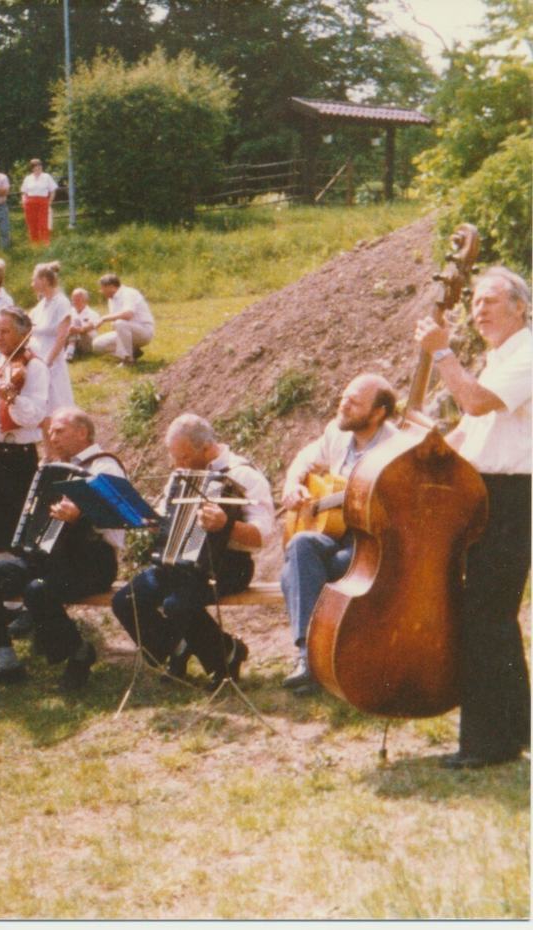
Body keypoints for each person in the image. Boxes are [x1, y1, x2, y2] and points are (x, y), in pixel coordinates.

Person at [413, 266, 531, 769]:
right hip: (487, 495)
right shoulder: (498, 359)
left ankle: (487, 745)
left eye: (490, 301)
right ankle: (517, 728)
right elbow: (468, 431)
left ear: (520, 307)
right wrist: (421, 439)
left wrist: (441, 353)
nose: (478, 310)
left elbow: (477, 403)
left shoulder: (527, 354)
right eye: (475, 302)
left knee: (485, 616)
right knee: (492, 616)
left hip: (513, 498)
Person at [0, 409, 126, 690]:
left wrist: (81, 514)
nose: (52, 438)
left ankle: (79, 653)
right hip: (51, 559)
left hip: (93, 561)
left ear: (82, 432)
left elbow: (119, 516)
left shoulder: (105, 467)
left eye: (59, 431)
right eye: (50, 432)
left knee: (38, 589)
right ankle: (4, 663)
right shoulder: (53, 468)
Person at [111, 414, 273, 687]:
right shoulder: (181, 473)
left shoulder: (243, 474)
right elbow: (164, 514)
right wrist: (152, 521)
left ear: (208, 448)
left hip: (230, 564)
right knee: (125, 601)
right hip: (181, 562)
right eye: (174, 458)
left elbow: (261, 536)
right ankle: (181, 648)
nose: (178, 465)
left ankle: (225, 657)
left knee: (178, 604)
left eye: (183, 457)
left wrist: (226, 524)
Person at [278, 375, 398, 695]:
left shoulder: (395, 447)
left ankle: (321, 664)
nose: (343, 405)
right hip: (334, 531)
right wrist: (293, 485)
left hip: (371, 539)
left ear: (378, 414)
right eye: (344, 396)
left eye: (354, 402)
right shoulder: (336, 432)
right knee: (301, 542)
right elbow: (305, 459)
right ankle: (309, 657)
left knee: (299, 571)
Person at [0, 306, 48, 561]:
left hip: (15, 457)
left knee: (15, 529)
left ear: (24, 336)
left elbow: (33, 417)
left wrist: (13, 399)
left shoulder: (34, 368)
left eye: (5, 331)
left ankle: (14, 595)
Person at [27, 261, 74, 420]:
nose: (32, 284)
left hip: (52, 362)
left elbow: (62, 337)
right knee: (44, 411)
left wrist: (48, 362)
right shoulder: (41, 305)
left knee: (59, 408)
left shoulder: (61, 303)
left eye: (35, 280)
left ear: (45, 281)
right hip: (38, 360)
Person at [93, 274, 155, 364]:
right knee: (98, 344)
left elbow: (128, 314)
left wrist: (104, 318)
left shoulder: (129, 293)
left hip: (144, 331)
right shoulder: (111, 299)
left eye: (102, 288)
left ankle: (128, 360)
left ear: (111, 287)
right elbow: (115, 326)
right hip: (125, 330)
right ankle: (133, 352)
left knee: (120, 323)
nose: (101, 291)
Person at [20, 159, 58, 246]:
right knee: (32, 225)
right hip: (29, 203)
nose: (38, 168)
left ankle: (45, 244)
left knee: (43, 224)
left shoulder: (46, 177)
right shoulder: (28, 178)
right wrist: (24, 201)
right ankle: (35, 245)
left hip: (43, 202)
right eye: (35, 166)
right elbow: (24, 192)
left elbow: (52, 191)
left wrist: (49, 202)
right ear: (32, 168)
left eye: (39, 166)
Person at [66, 288, 103, 361]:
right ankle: (70, 351)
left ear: (85, 301)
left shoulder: (93, 314)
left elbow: (90, 326)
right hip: (69, 339)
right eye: (73, 300)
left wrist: (77, 329)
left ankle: (70, 352)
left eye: (77, 300)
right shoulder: (69, 311)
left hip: (86, 342)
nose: (75, 302)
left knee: (75, 322)